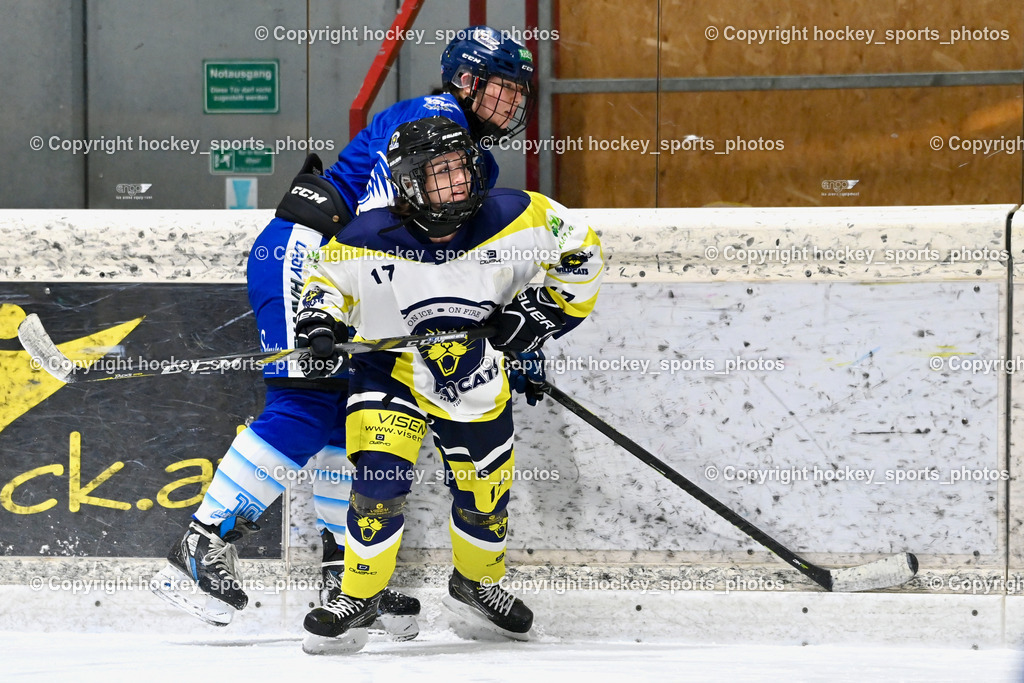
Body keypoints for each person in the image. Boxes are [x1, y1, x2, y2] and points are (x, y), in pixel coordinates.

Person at [151, 26, 538, 640]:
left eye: (520, 92)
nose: (513, 103)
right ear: (466, 81)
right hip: (310, 259)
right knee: (306, 402)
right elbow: (393, 229)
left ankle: (344, 574)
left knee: (342, 413)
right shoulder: (437, 124)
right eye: (502, 89)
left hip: (349, 272)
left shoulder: (471, 149)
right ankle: (201, 546)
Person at [294, 116, 603, 654]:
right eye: (440, 171)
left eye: (460, 166)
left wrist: (538, 316)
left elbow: (582, 254)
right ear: (410, 182)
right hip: (391, 376)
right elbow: (323, 284)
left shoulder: (521, 216)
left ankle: (474, 585)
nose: (458, 180)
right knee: (378, 482)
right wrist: (319, 326)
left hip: (476, 378)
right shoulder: (365, 237)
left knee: (485, 499)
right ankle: (359, 594)